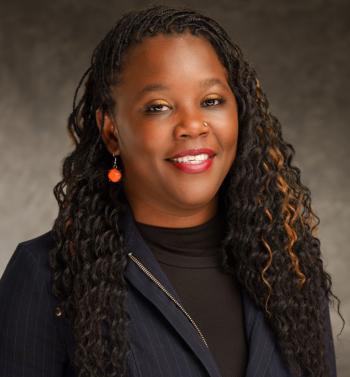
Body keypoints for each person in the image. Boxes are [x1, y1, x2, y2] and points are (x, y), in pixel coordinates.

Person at [0, 4, 343, 377]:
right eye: (158, 107)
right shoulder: (47, 276)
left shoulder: (288, 268)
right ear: (111, 130)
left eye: (211, 101)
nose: (193, 126)